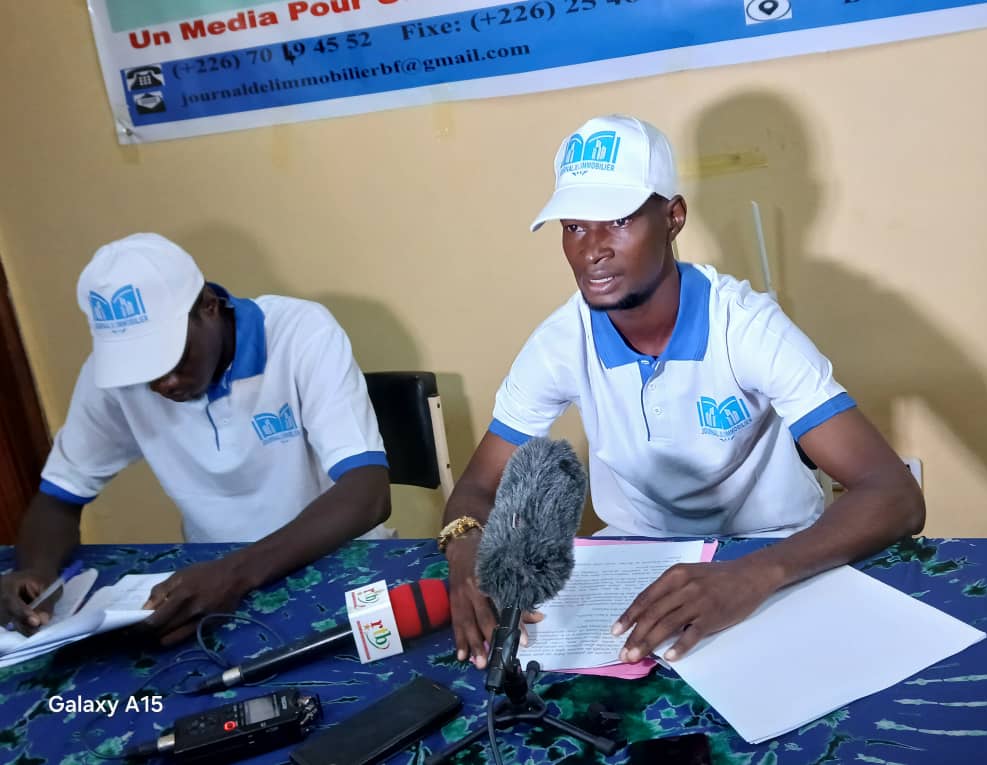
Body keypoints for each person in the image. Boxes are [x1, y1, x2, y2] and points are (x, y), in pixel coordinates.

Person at [439, 115, 925, 669]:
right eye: (573, 226)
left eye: (618, 220)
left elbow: (895, 494)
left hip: (774, 551)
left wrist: (753, 575)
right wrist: (467, 549)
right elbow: (477, 486)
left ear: (673, 217)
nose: (592, 249)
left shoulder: (745, 326)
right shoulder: (560, 342)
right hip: (636, 564)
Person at [0, 233, 391, 644]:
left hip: (339, 565)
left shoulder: (301, 334)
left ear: (208, 306)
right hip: (213, 589)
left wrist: (235, 573)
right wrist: (36, 573)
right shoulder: (111, 380)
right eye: (142, 371)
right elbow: (58, 499)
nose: (163, 383)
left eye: (172, 358)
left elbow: (367, 494)